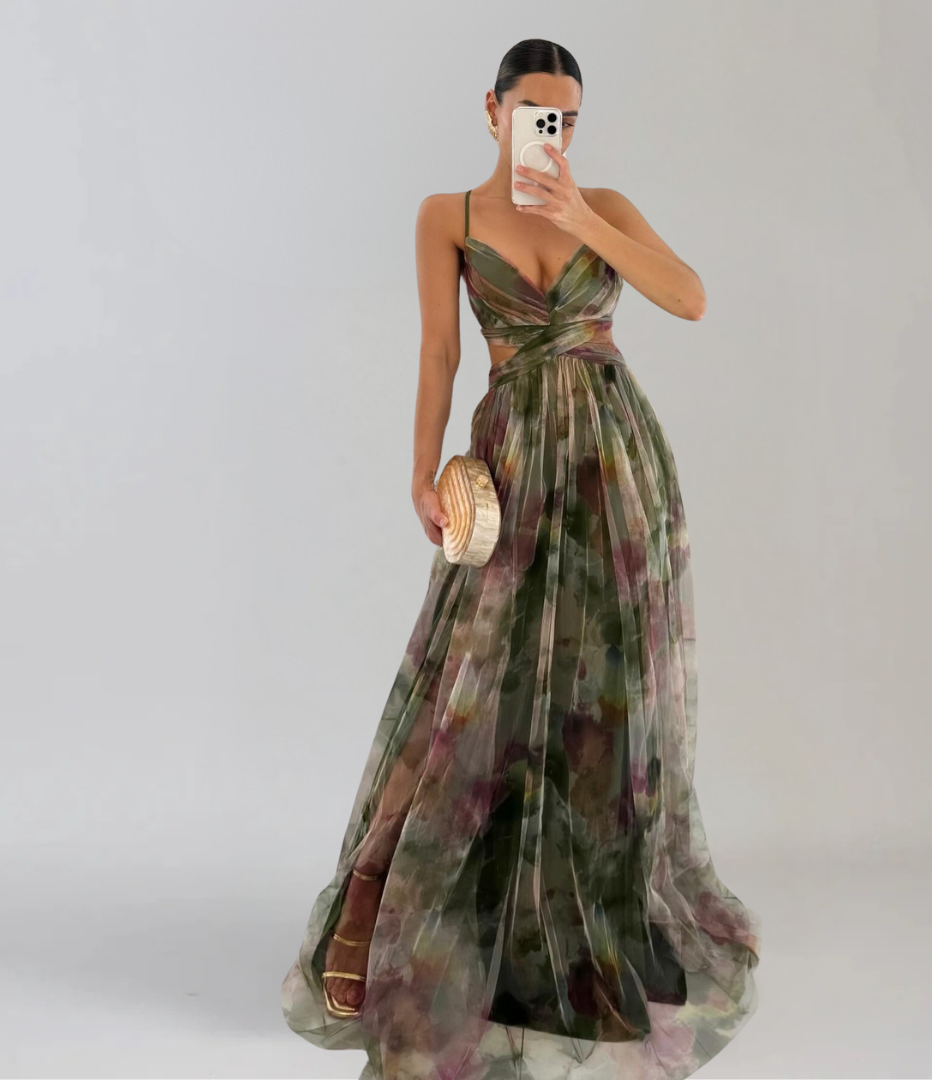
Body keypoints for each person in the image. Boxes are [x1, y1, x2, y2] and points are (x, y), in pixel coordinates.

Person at [281, 37, 761, 1080]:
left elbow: (690, 298)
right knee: (471, 684)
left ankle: (585, 933)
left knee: (607, 692)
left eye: (569, 118)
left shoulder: (605, 206)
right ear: (493, 110)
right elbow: (441, 350)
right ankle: (400, 914)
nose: (553, 131)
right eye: (537, 112)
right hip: (512, 464)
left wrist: (580, 215)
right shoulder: (447, 215)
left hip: (615, 462)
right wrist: (421, 472)